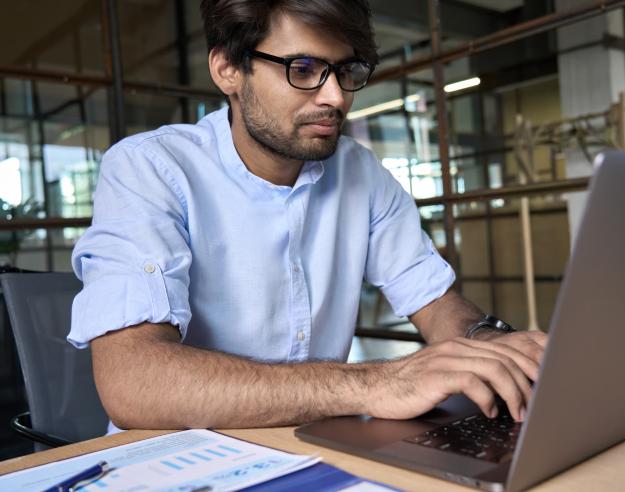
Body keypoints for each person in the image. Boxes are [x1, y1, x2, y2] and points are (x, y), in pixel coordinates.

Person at [68, 0, 547, 433]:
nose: (335, 98)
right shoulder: (150, 168)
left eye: (347, 71)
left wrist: (490, 346)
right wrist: (375, 384)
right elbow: (133, 382)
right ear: (228, 70)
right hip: (183, 462)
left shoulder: (360, 172)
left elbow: (435, 301)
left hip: (316, 446)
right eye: (303, 68)